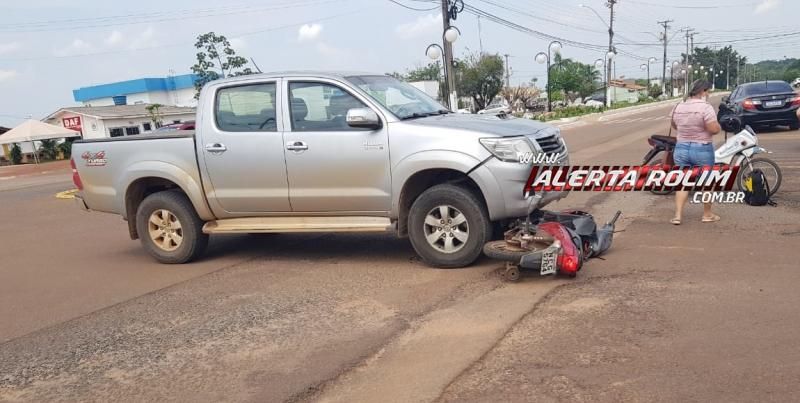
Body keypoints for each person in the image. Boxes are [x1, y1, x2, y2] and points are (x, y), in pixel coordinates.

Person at [669, 79, 722, 225]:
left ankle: (678, 216)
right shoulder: (706, 107)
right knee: (707, 182)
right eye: (708, 91)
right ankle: (707, 214)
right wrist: (718, 127)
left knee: (682, 182)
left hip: (681, 148)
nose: (709, 94)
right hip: (702, 149)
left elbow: (674, 124)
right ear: (703, 91)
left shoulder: (679, 105)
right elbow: (713, 129)